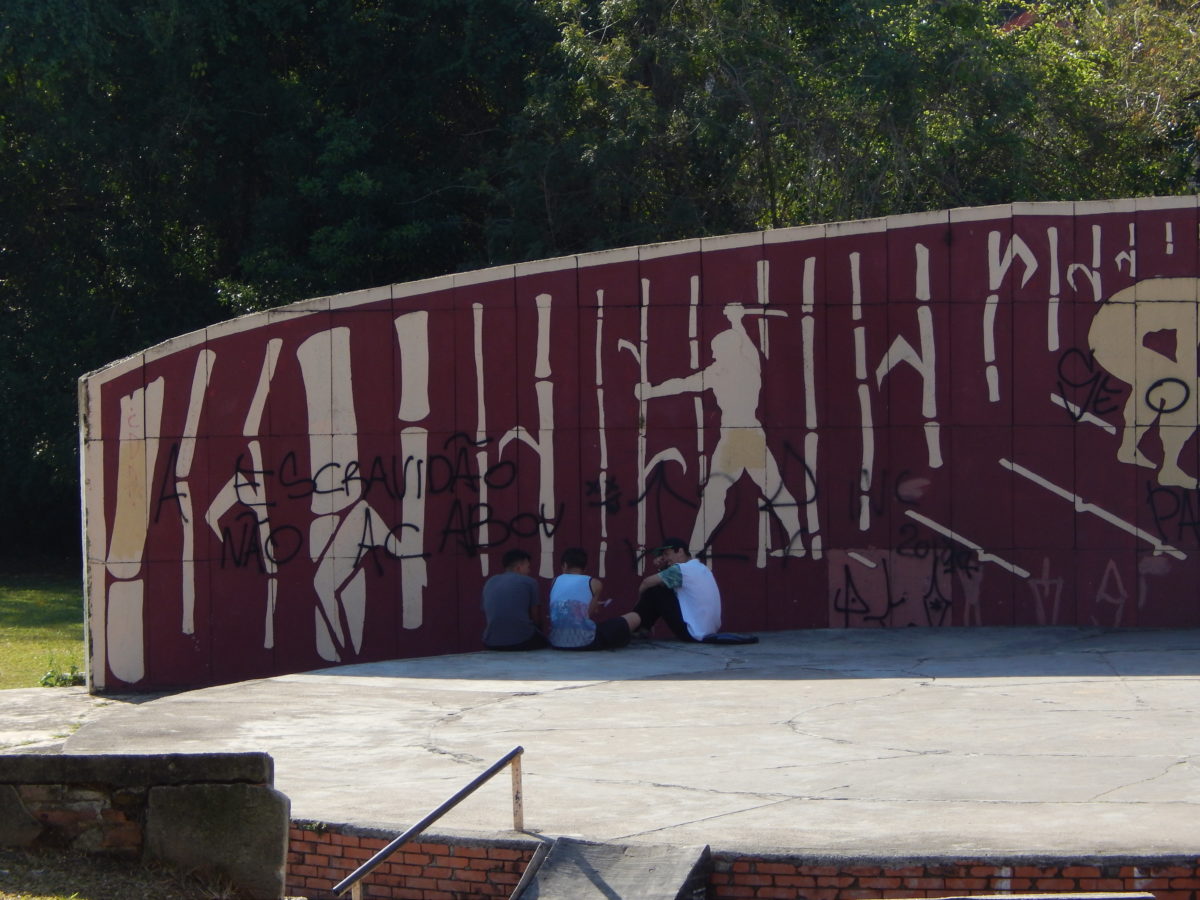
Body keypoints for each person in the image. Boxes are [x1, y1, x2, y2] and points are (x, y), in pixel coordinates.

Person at [631, 538, 721, 641]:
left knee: (655, 590)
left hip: (693, 633)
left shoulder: (681, 569)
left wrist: (638, 606)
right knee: (662, 588)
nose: (664, 558)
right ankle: (642, 628)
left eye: (667, 554)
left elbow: (646, 582)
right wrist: (663, 567)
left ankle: (635, 626)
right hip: (708, 632)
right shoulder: (701, 568)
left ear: (680, 551)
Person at [548, 547, 637, 650]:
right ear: (585, 568)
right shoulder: (595, 583)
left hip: (556, 641)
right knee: (634, 617)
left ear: (565, 565)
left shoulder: (554, 581)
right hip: (585, 642)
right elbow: (588, 614)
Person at [481, 549, 548, 651]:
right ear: (519, 567)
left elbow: (487, 611)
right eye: (528, 567)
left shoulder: (490, 582)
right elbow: (536, 617)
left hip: (491, 641)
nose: (529, 571)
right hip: (522, 640)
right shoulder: (530, 582)